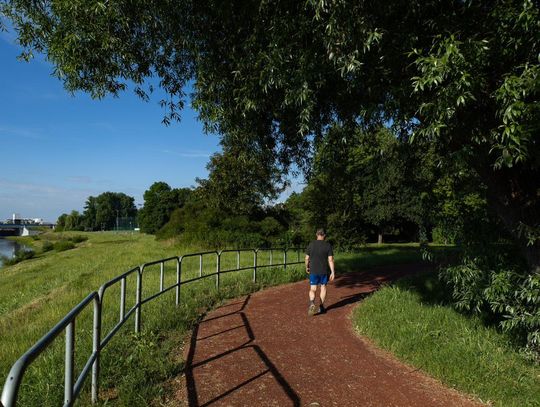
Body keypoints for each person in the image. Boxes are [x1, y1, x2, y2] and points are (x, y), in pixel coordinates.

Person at [305, 228, 335, 316]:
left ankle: (312, 303)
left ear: (316, 234)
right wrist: (332, 272)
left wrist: (307, 267)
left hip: (313, 270)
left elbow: (307, 258)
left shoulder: (311, 244)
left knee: (313, 289)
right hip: (323, 271)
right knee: (323, 287)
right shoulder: (328, 245)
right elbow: (330, 260)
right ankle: (321, 306)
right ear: (324, 235)